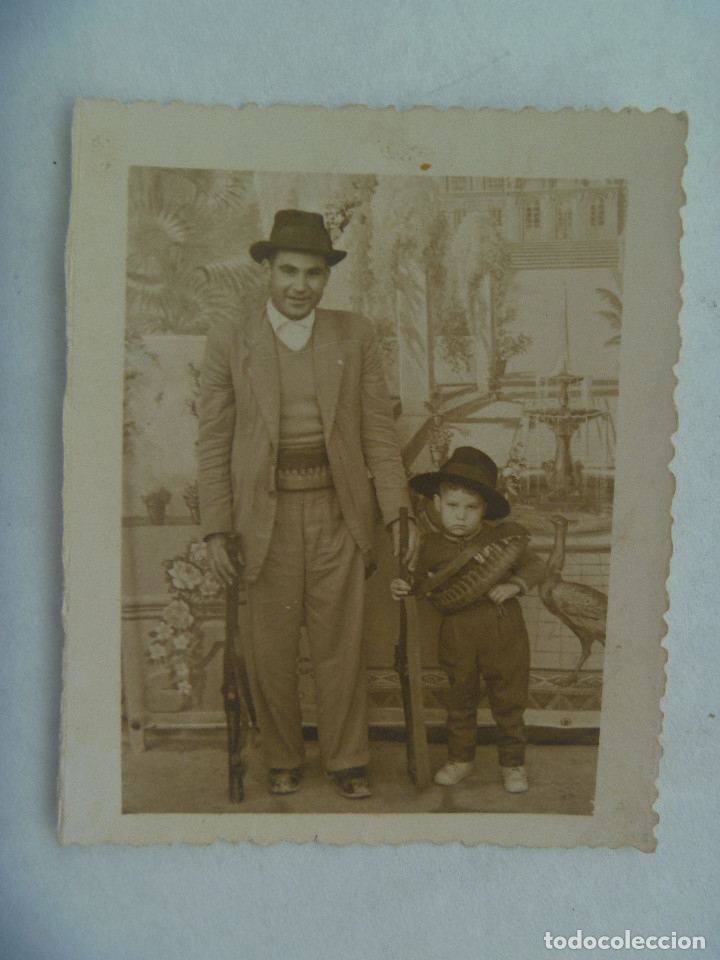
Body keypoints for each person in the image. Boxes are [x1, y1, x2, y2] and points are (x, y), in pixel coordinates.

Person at [198, 209, 418, 799]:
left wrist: (396, 510)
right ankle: (282, 757)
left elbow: (377, 430)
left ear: (327, 278)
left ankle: (348, 760)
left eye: (314, 274)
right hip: (259, 521)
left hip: (337, 515)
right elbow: (213, 439)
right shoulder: (231, 338)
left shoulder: (355, 333)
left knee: (339, 648)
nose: (300, 286)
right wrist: (217, 528)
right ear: (267, 269)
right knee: (270, 652)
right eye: (289, 270)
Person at [390, 446, 544, 793]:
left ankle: (513, 763)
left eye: (471, 508)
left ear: (484, 509)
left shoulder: (502, 540)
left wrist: (514, 585)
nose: (461, 516)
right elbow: (418, 584)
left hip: (505, 633)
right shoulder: (428, 546)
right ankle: (461, 760)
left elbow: (536, 565)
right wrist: (403, 585)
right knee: (459, 700)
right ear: (437, 505)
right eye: (452, 506)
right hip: (457, 635)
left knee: (508, 701)